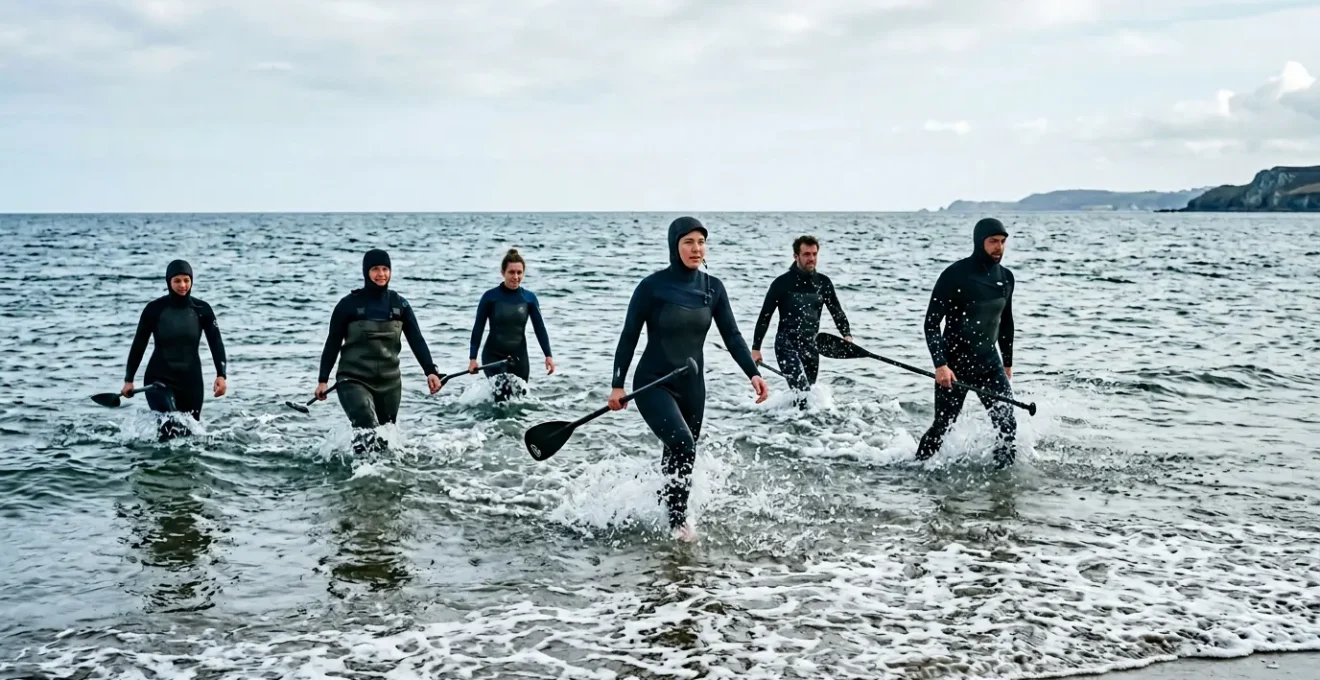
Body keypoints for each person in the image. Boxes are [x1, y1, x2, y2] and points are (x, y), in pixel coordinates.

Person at [608, 216, 769, 542]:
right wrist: (617, 383)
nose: (697, 249)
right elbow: (628, 336)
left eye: (701, 241)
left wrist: (754, 373)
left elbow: (733, 336)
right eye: (688, 242)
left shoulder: (713, 289)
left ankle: (663, 512)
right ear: (674, 246)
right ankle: (679, 525)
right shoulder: (651, 287)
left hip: (692, 387)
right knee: (683, 443)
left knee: (677, 453)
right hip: (653, 382)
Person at [315, 248, 443, 452]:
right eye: (375, 269)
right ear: (366, 271)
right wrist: (323, 380)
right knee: (365, 422)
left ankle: (380, 479)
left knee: (385, 440)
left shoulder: (400, 305)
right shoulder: (348, 305)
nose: (381, 274)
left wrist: (430, 371)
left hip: (389, 383)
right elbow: (332, 343)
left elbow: (417, 339)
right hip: (352, 379)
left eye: (385, 269)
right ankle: (360, 475)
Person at [917, 217, 1017, 468]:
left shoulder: (1006, 278)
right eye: (993, 241)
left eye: (1003, 242)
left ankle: (1001, 487)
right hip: (954, 365)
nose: (999, 247)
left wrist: (1007, 362)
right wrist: (940, 365)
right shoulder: (955, 275)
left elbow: (1006, 321)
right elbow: (931, 323)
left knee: (1007, 424)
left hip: (989, 363)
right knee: (942, 426)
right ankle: (915, 469)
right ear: (979, 242)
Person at [122, 259, 228, 441]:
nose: (183, 285)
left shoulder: (203, 309)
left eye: (186, 280)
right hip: (159, 380)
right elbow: (139, 344)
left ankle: (184, 470)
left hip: (191, 381)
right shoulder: (154, 309)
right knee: (169, 429)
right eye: (177, 281)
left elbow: (216, 342)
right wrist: (129, 379)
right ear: (168, 282)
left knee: (191, 435)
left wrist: (221, 375)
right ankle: (161, 467)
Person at [751, 235, 852, 407]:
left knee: (808, 397)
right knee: (803, 395)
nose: (811, 258)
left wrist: (846, 334)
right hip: (786, 345)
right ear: (795, 256)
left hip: (811, 346)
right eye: (806, 254)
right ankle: (793, 428)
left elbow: (836, 311)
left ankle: (798, 427)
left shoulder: (823, 283)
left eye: (814, 254)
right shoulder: (781, 283)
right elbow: (765, 316)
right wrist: (756, 348)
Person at [467, 248, 555, 402]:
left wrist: (548, 355)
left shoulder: (529, 298)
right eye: (511, 272)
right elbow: (478, 327)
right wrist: (472, 358)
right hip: (493, 356)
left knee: (519, 400)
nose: (516, 277)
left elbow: (539, 328)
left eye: (519, 273)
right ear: (503, 273)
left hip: (519, 357)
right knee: (502, 398)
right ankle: (492, 425)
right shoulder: (490, 297)